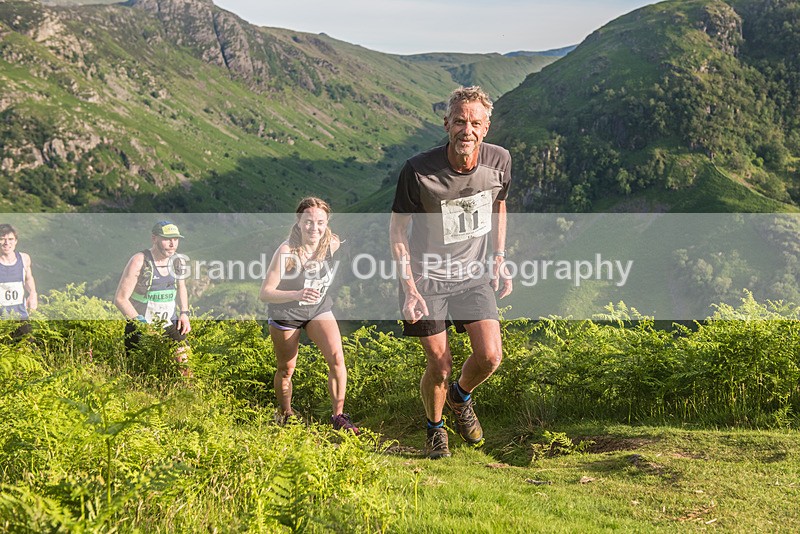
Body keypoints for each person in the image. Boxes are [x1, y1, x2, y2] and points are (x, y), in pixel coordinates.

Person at [389, 86, 513, 459]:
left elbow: (499, 206)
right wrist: (409, 287)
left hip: (473, 274)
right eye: (459, 121)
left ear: (486, 127)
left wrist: (499, 257)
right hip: (427, 280)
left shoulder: (500, 161)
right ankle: (435, 429)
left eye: (475, 122)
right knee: (439, 366)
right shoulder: (418, 171)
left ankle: (461, 398)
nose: (467, 130)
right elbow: (397, 231)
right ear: (446, 124)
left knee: (490, 356)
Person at [260, 197, 359, 434]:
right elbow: (265, 293)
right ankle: (286, 414)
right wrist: (297, 292)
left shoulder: (331, 243)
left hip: (318, 309)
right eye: (308, 222)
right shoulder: (287, 251)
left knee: (337, 358)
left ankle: (338, 416)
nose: (314, 228)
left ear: (327, 223)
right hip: (287, 313)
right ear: (298, 221)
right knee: (286, 369)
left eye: (320, 222)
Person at [114, 221, 191, 375]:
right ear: (154, 238)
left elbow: (181, 287)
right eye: (167, 239)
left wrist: (184, 313)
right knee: (140, 375)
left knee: (186, 366)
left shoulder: (178, 261)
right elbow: (120, 299)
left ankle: (188, 396)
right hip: (141, 325)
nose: (172, 244)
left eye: (175, 239)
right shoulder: (139, 261)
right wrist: (143, 325)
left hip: (170, 323)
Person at [0, 224, 37, 340]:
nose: (7, 243)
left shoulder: (24, 259)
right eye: (2, 239)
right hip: (1, 319)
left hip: (21, 317)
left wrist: (33, 294)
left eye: (10, 239)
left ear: (16, 241)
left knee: (29, 351)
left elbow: (28, 278)